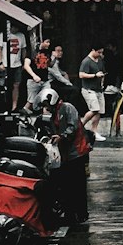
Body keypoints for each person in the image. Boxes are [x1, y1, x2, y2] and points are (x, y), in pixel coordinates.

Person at [36, 87, 90, 224]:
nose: (46, 108)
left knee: (77, 185)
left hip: (77, 152)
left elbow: (73, 127)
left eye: (46, 105)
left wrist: (62, 136)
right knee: (67, 184)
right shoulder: (53, 113)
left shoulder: (67, 108)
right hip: (65, 154)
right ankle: (70, 213)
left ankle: (80, 214)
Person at [78, 44, 106, 140]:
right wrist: (94, 75)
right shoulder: (86, 61)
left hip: (98, 89)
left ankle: (94, 131)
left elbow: (102, 72)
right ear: (93, 50)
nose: (100, 54)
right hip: (88, 89)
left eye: (101, 52)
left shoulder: (99, 61)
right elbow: (81, 75)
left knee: (99, 111)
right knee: (94, 109)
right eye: (98, 52)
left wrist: (102, 81)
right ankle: (80, 126)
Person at [0, 27, 24, 111]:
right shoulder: (3, 35)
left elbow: (23, 49)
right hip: (6, 64)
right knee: (5, 85)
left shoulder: (21, 36)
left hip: (17, 64)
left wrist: (23, 60)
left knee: (16, 85)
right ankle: (5, 105)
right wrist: (0, 62)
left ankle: (14, 106)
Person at [22, 37, 52, 111]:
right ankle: (24, 112)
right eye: (47, 42)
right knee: (31, 101)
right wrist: (34, 75)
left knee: (47, 98)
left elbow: (49, 65)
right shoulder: (32, 52)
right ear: (41, 42)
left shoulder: (48, 52)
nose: (49, 44)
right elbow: (26, 65)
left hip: (45, 80)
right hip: (33, 80)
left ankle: (46, 115)